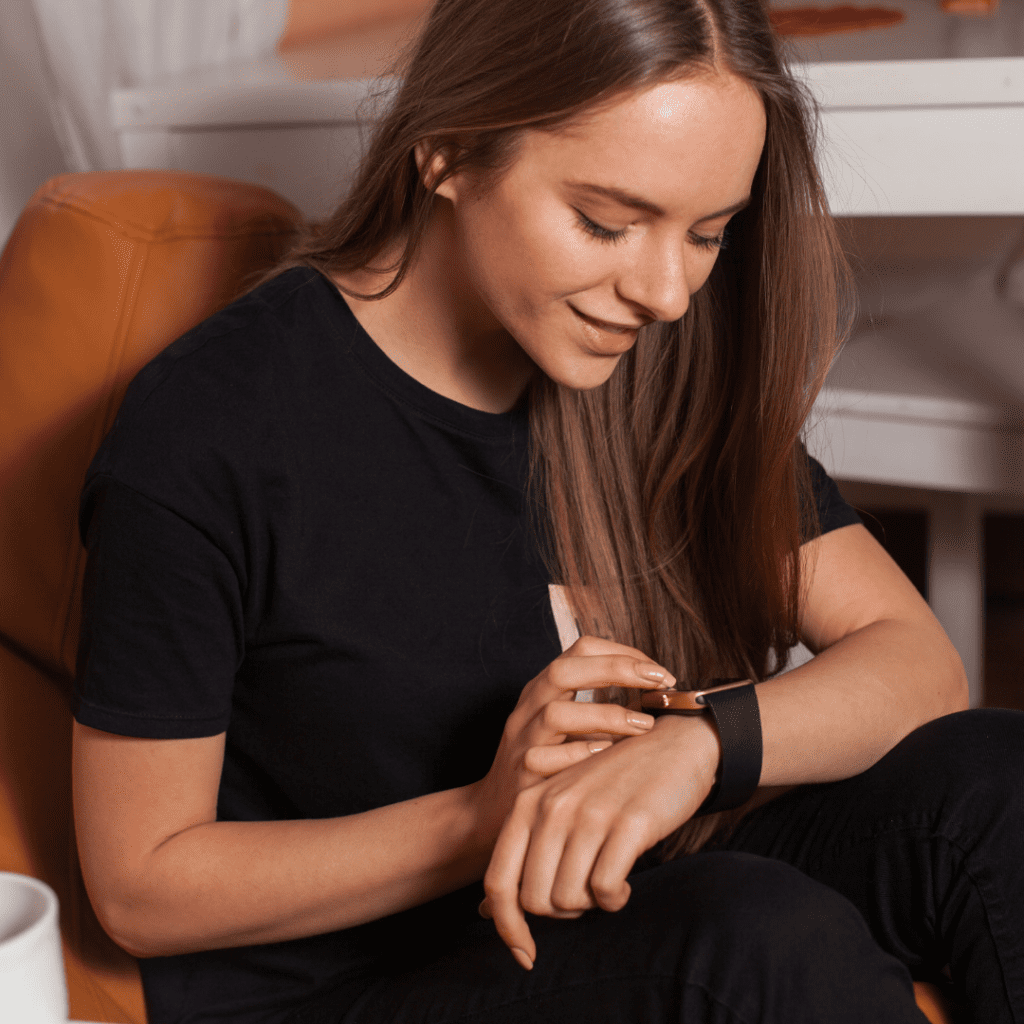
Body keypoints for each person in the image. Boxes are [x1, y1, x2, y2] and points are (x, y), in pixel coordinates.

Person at [70, 0, 1023, 1022]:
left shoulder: (652, 365)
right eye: (605, 223)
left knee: (995, 784)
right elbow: (142, 887)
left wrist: (693, 747)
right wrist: (487, 816)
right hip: (353, 982)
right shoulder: (213, 428)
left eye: (707, 233)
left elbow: (914, 660)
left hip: (621, 894)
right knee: (755, 938)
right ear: (447, 149)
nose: (664, 290)